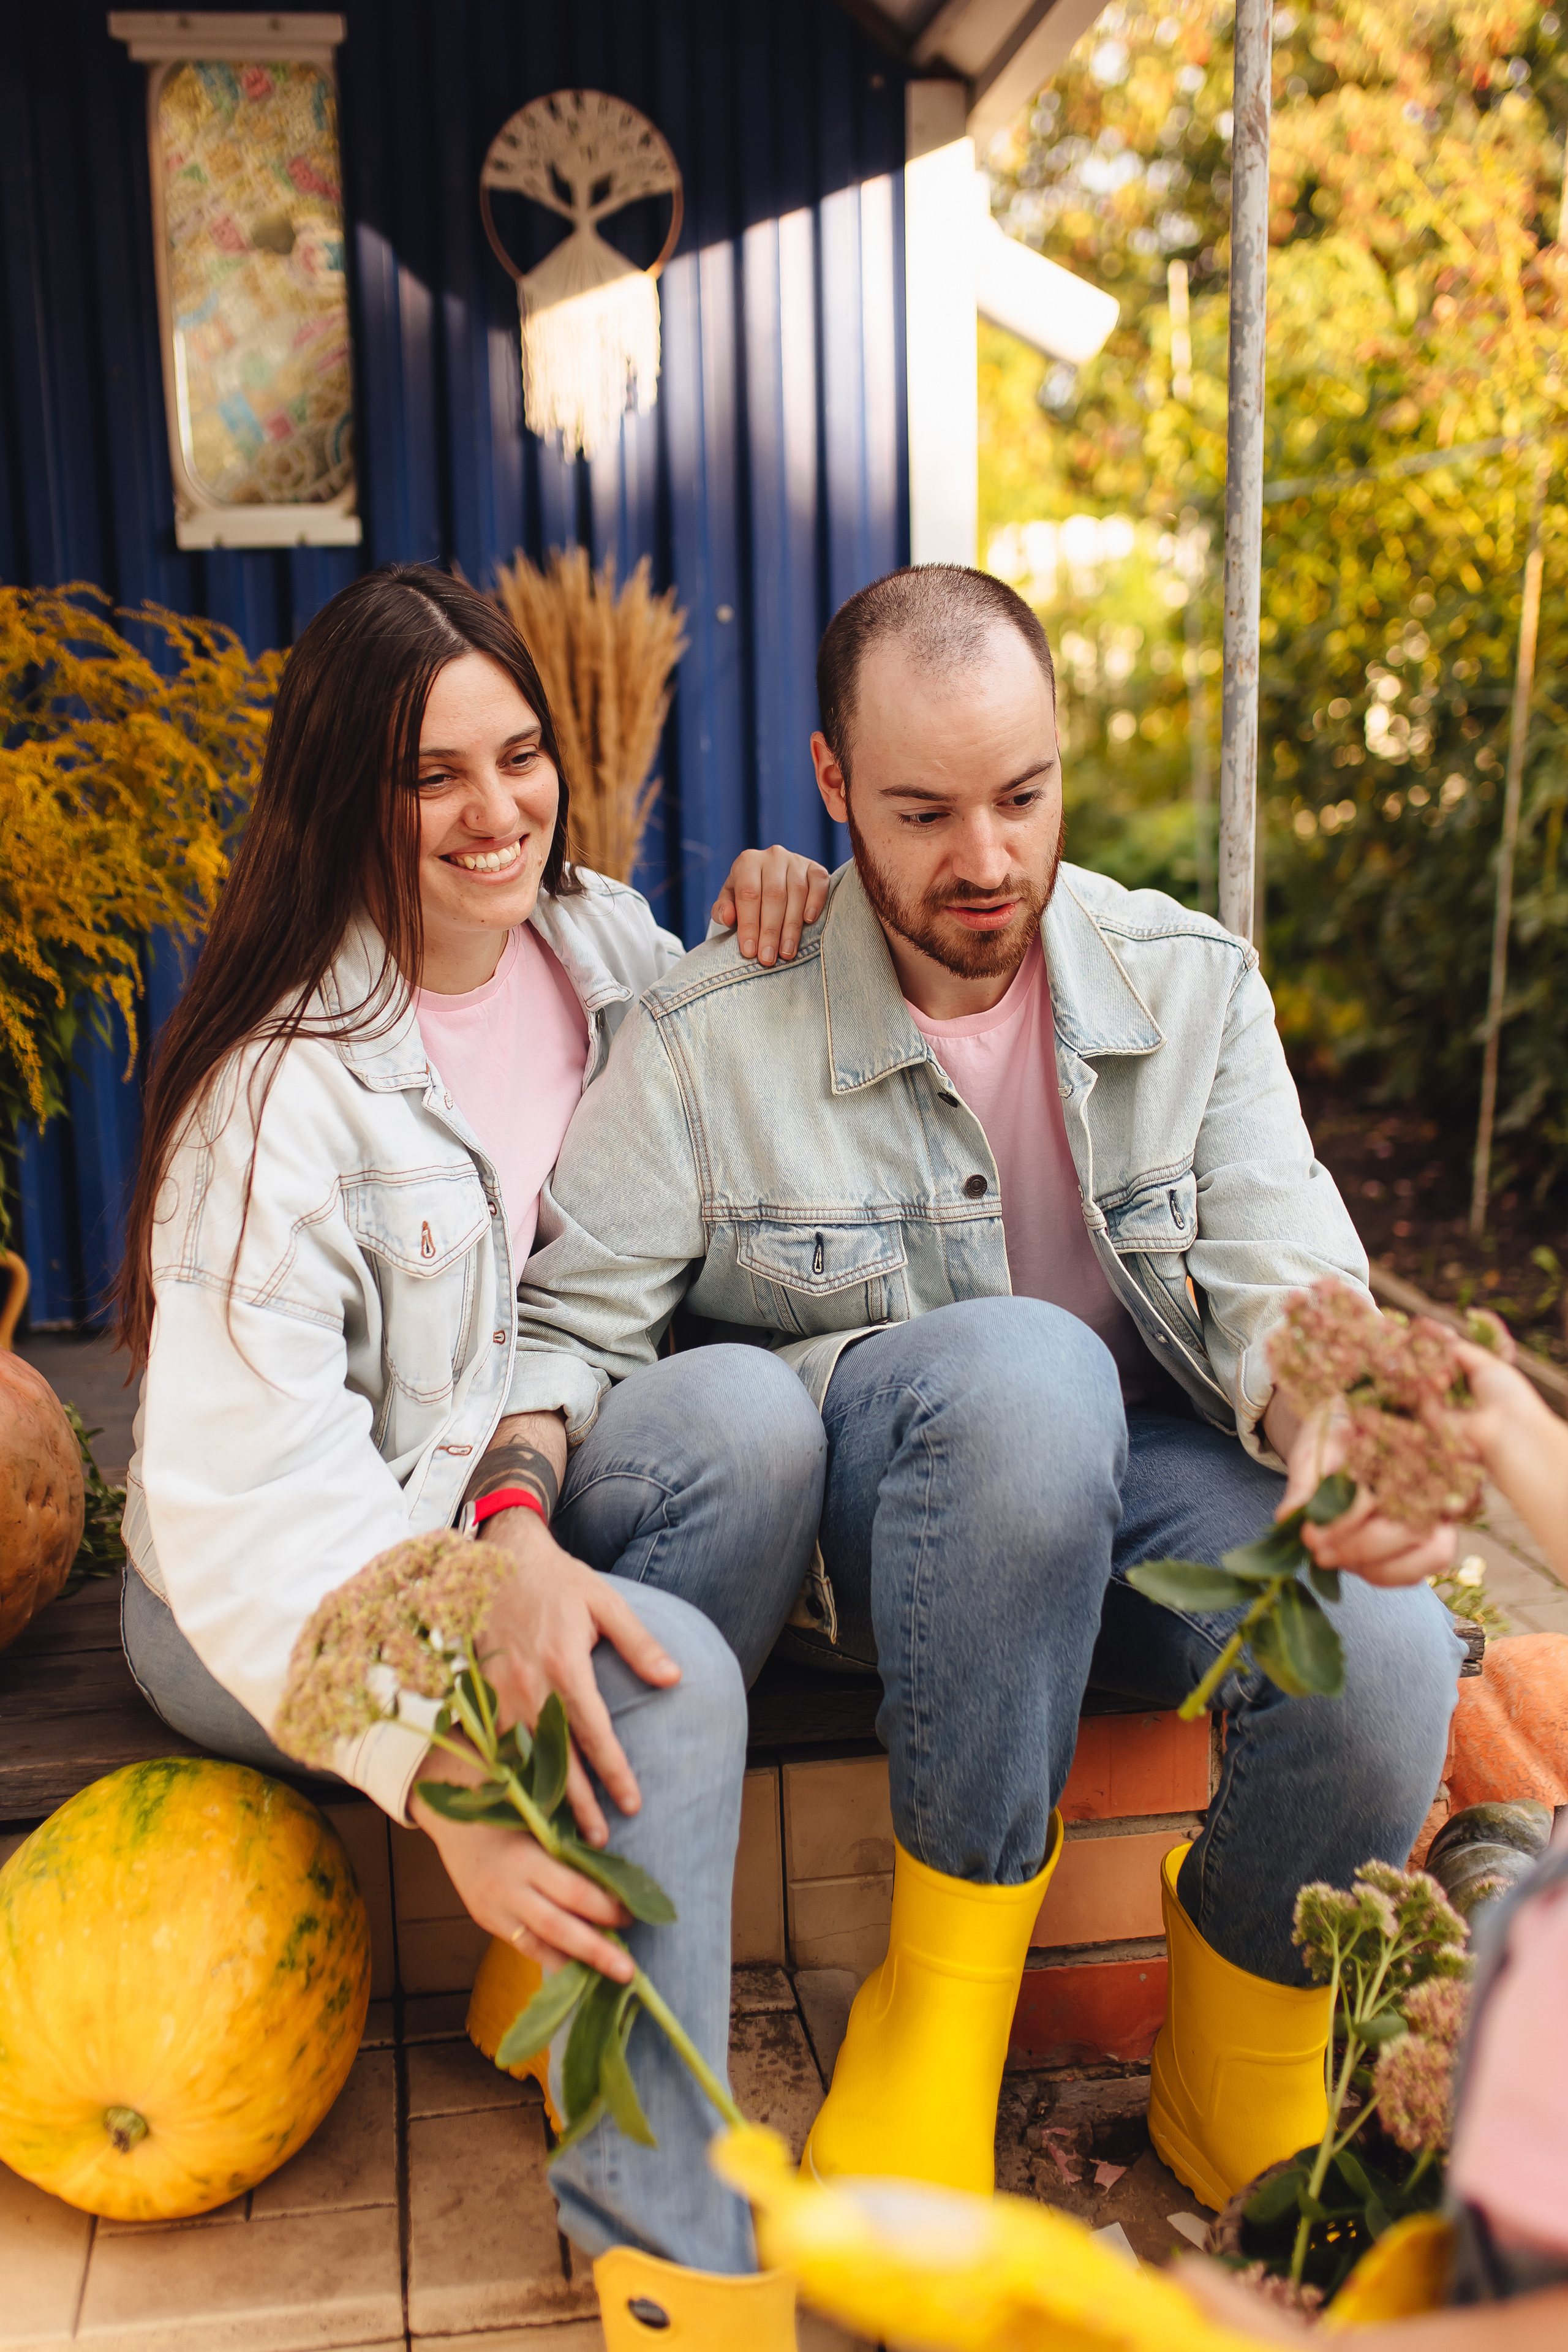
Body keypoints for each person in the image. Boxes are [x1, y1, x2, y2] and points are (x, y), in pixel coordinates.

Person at [504, 562, 1463, 2214]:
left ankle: (1236, 2063)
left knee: (1381, 1631)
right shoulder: (710, 1035)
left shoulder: (1189, 985)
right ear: (829, 787)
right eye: (924, 811)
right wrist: (513, 1511)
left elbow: (1291, 1279)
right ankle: (934, 2030)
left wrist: (1334, 1436)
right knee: (1031, 1373)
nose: (989, 859)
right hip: (876, 1552)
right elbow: (575, 1336)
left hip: (1125, 1525)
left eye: (1024, 796)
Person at [115, 564, 830, 2329]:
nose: (497, 812)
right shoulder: (281, 1086)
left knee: (747, 1422)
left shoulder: (601, 947)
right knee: (674, 1693)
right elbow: (249, 1501)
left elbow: (753, 1116)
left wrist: (796, 919)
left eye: (521, 757)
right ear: (349, 795)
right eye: (437, 775)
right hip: (279, 1580)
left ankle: (564, 1931)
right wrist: (444, 1777)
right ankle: (665, 2239)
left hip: (519, 1490)